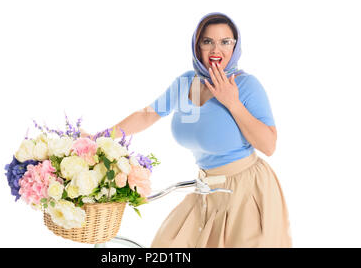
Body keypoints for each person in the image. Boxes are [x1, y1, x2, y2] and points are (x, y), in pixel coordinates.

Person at [81, 12, 292, 248]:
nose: (216, 49)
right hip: (206, 188)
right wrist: (99, 138)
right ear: (197, 46)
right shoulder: (186, 83)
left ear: (236, 46)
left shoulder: (245, 86)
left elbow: (269, 146)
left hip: (247, 190)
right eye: (207, 41)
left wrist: (232, 102)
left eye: (225, 42)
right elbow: (147, 115)